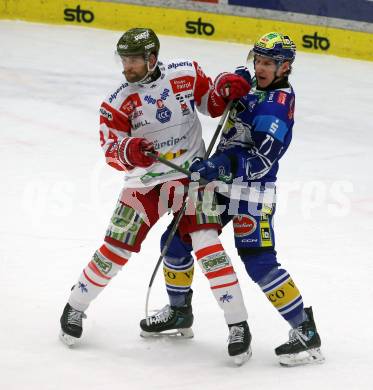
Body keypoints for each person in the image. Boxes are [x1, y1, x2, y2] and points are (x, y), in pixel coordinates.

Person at [59, 27, 252, 362]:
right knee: (115, 247)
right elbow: (110, 149)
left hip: (192, 178)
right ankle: (74, 308)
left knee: (207, 243)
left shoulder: (185, 73)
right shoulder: (117, 101)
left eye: (134, 59)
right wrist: (129, 150)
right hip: (144, 184)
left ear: (152, 58)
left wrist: (224, 86)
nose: (127, 66)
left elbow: (213, 104)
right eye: (124, 60)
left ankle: (238, 325)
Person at [142, 32, 324, 367]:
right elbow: (220, 107)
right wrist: (229, 85)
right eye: (258, 60)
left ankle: (304, 331)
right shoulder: (256, 85)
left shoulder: (277, 108)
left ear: (286, 66)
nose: (260, 67)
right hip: (220, 188)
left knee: (259, 261)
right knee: (176, 240)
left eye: (268, 62)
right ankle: (179, 312)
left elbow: (261, 162)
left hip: (251, 195)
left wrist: (219, 165)